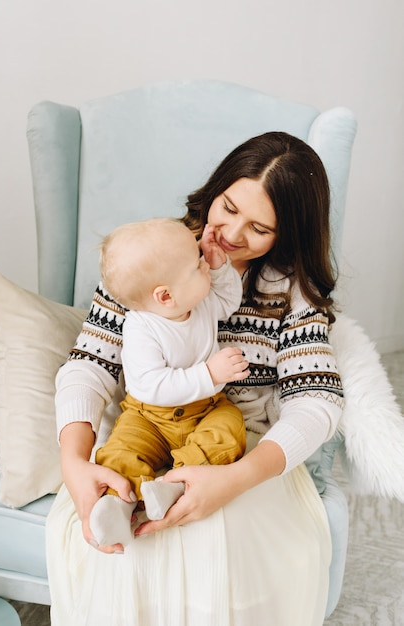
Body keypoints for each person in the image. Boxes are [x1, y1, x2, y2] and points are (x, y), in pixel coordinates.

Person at [49, 131, 344, 626]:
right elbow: (90, 363)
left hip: (237, 447)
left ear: (288, 235)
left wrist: (235, 480)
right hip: (147, 423)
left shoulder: (292, 291)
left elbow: (318, 402)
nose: (230, 234)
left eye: (259, 228)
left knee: (215, 545)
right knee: (126, 544)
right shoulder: (151, 253)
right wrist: (73, 463)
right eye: (227, 207)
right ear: (216, 188)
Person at [89, 218, 248, 547]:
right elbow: (152, 386)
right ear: (165, 296)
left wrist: (218, 270)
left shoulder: (199, 301)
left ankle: (175, 483)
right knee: (120, 450)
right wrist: (211, 375)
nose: (204, 262)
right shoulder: (141, 328)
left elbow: (230, 300)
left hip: (205, 409)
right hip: (149, 415)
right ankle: (119, 505)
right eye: (197, 264)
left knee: (229, 429)